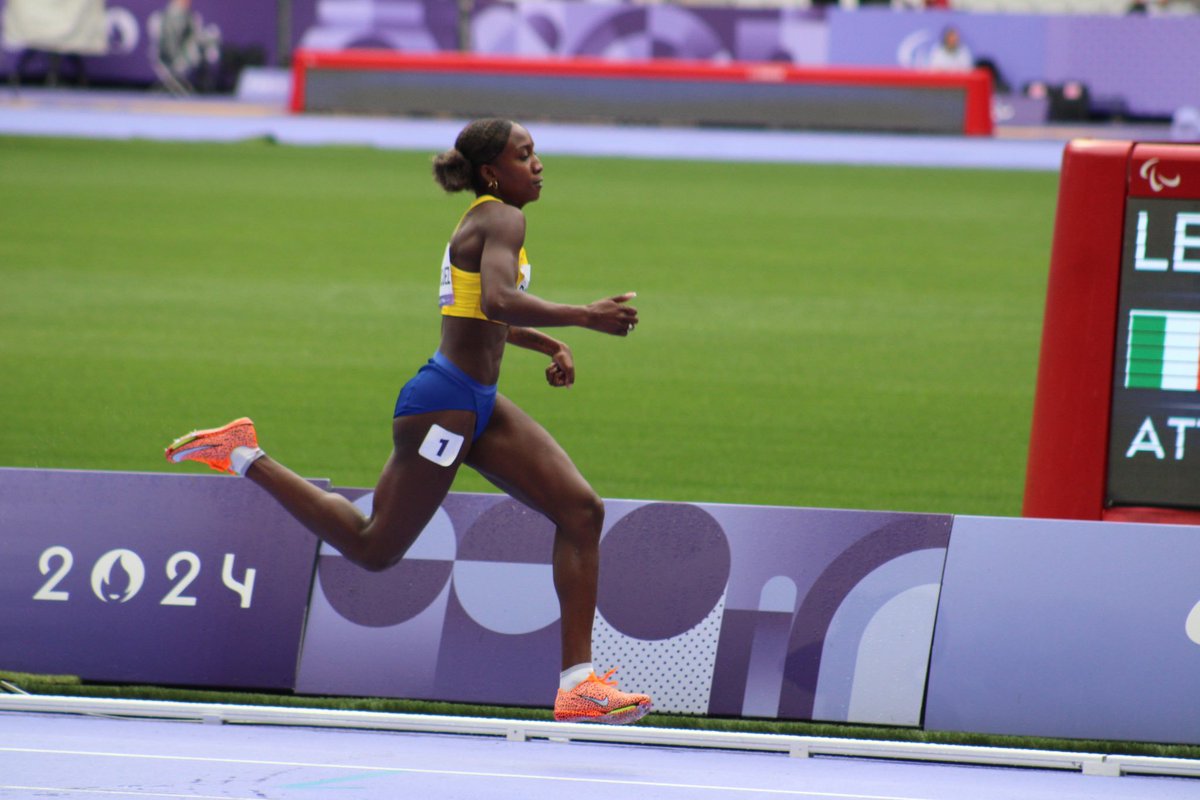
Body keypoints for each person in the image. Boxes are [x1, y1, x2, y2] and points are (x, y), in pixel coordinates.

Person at [164, 118, 653, 726]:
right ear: (491, 173)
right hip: (443, 406)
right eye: (525, 155)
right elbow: (498, 300)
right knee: (373, 548)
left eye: (536, 154)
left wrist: (546, 343)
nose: (539, 164)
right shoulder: (501, 217)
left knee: (581, 509)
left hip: (475, 399)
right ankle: (243, 454)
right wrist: (583, 316)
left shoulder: (485, 220)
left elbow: (475, 311)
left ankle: (579, 685)